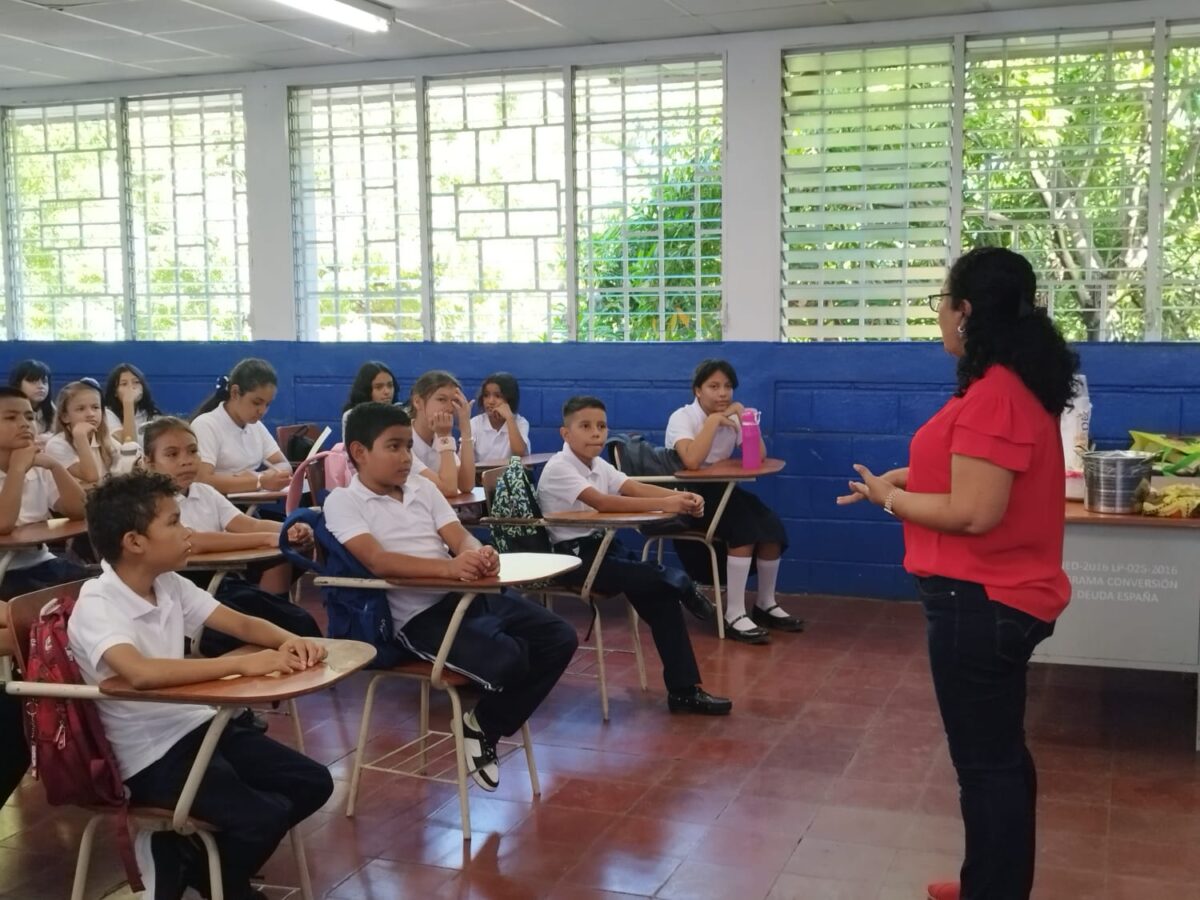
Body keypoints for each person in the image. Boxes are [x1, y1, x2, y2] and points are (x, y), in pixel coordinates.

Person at [838, 246, 1078, 900]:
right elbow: (972, 471)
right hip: (995, 596)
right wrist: (901, 479)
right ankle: (989, 882)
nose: (939, 316)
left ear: (965, 311)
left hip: (981, 600)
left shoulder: (996, 392)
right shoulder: (1010, 383)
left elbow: (973, 510)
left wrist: (891, 501)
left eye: (942, 303)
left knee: (986, 765)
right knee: (998, 756)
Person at [67, 471, 333, 900]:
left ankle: (192, 864)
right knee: (263, 817)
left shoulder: (167, 584)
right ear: (135, 542)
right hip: (149, 756)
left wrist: (292, 639)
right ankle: (218, 880)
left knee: (313, 782)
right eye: (174, 522)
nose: (188, 531)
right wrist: (241, 667)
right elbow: (140, 673)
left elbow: (240, 622)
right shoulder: (98, 602)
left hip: (198, 725)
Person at [324, 402, 577, 791]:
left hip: (465, 596)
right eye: (394, 447)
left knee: (559, 637)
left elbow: (457, 536)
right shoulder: (343, 501)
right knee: (510, 659)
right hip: (417, 619)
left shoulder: (422, 488)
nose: (406, 457)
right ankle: (485, 726)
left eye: (408, 446)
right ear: (359, 453)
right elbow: (378, 561)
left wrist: (477, 553)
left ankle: (481, 726)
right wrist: (449, 569)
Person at [537, 396, 731, 715]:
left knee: (660, 594)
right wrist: (668, 506)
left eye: (601, 426)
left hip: (603, 550)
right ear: (565, 433)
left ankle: (683, 690)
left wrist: (679, 496)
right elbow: (604, 503)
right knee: (659, 577)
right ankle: (685, 585)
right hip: (574, 560)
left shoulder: (598, 464)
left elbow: (632, 488)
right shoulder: (559, 467)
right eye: (585, 426)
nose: (595, 433)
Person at [142, 417, 320, 652]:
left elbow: (247, 524)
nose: (185, 461)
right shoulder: (150, 503)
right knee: (269, 636)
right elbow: (192, 541)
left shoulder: (205, 492)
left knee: (300, 621)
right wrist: (268, 538)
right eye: (172, 455)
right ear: (149, 463)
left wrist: (289, 529)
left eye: (193, 451)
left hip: (224, 584)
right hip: (186, 597)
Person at [665, 359, 803, 642]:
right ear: (697, 391)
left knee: (771, 527)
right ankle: (734, 614)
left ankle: (765, 604)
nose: (722, 393)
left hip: (725, 490)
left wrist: (747, 421)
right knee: (744, 530)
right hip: (692, 495)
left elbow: (759, 456)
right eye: (713, 386)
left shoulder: (735, 416)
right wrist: (715, 421)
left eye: (728, 387)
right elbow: (691, 461)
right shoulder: (682, 417)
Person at [0, 387, 88, 598]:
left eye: (29, 417)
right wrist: (17, 470)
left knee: (95, 588)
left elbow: (81, 511)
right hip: (6, 572)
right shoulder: (23, 465)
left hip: (42, 561)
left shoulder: (39, 465)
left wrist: (55, 466)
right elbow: (3, 524)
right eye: (11, 417)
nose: (24, 424)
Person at [190, 359, 292, 496]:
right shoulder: (206, 425)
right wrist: (260, 481)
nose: (262, 411)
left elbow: (284, 465)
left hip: (246, 505)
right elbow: (202, 480)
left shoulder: (255, 426)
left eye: (267, 405)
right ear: (235, 393)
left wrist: (262, 477)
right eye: (256, 402)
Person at [45, 379, 141, 486]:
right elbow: (91, 476)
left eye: (95, 407)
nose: (90, 414)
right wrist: (80, 436)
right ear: (65, 416)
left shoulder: (105, 440)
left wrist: (135, 463)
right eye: (81, 409)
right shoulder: (56, 444)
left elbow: (125, 468)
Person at [407, 370, 476, 497]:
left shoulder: (438, 436)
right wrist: (445, 438)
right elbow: (448, 489)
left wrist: (466, 428)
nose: (450, 408)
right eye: (441, 399)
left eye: (454, 401)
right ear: (417, 402)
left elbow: (466, 485)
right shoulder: (403, 440)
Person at [471, 372, 531, 462]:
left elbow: (519, 452)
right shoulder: (475, 423)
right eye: (486, 395)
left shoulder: (520, 422)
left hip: (510, 474)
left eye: (498, 396)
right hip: (480, 474)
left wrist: (510, 418)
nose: (490, 401)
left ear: (509, 399)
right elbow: (465, 461)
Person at [103, 362, 164, 444]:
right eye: (124, 384)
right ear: (115, 392)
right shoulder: (107, 414)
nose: (131, 387)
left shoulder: (150, 413)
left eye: (136, 382)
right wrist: (128, 403)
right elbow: (129, 446)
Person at [341, 361, 397, 435]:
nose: (387, 391)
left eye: (390, 385)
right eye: (379, 387)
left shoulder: (400, 414)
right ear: (366, 390)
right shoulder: (352, 416)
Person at [8, 359, 54, 443]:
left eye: (44, 382)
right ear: (18, 384)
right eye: (33, 381)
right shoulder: (7, 409)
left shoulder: (50, 407)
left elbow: (61, 434)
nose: (41, 386)